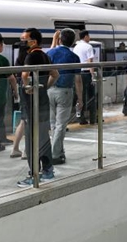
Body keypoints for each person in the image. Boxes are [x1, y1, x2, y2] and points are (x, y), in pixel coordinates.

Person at [16, 28, 59, 188]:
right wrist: (43, 87)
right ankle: (48, 170)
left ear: (33, 41)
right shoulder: (44, 55)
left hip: (30, 103)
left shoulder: (31, 55)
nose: (21, 42)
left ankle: (33, 174)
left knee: (30, 140)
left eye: (24, 39)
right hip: (42, 101)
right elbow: (55, 74)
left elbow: (25, 75)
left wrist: (28, 88)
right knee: (42, 137)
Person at [46, 29, 82, 165]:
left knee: (53, 124)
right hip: (65, 92)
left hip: (49, 90)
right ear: (72, 42)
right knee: (61, 124)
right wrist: (80, 98)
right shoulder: (74, 57)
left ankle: (59, 151)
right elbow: (78, 80)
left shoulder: (50, 53)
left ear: (60, 40)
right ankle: (55, 154)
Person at [73, 30, 97, 124]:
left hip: (78, 73)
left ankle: (81, 118)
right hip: (87, 73)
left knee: (80, 96)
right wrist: (93, 75)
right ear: (86, 36)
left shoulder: (76, 47)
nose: (89, 37)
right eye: (89, 36)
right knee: (91, 96)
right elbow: (90, 62)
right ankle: (92, 118)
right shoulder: (88, 46)